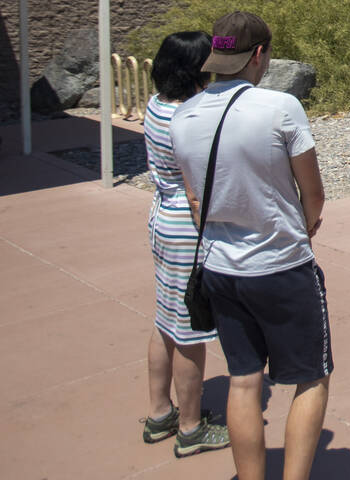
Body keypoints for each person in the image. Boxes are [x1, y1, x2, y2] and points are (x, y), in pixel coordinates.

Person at [171, 12, 330, 480]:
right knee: (311, 376)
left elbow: (196, 202)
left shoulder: (183, 116)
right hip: (281, 264)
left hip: (220, 268)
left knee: (244, 380)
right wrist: (302, 225)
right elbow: (314, 194)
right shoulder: (280, 107)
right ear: (259, 54)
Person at [140, 31, 231, 457]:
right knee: (191, 330)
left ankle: (161, 413)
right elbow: (199, 190)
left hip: (161, 220)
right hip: (186, 230)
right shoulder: (189, 117)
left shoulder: (155, 106)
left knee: (165, 322)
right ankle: (191, 428)